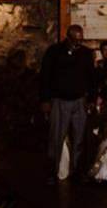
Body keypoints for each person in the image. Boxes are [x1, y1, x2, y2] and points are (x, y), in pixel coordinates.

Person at [40, 24, 95, 185]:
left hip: (79, 100)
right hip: (60, 100)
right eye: (75, 39)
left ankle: (78, 171)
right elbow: (45, 76)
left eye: (80, 39)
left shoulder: (85, 53)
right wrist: (45, 100)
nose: (78, 42)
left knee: (79, 139)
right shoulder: (54, 52)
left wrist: (91, 99)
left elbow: (91, 77)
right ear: (68, 37)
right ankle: (52, 171)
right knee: (56, 138)